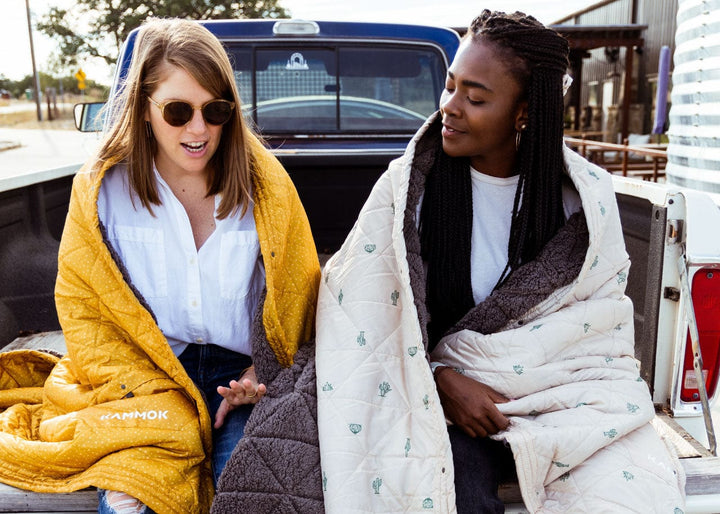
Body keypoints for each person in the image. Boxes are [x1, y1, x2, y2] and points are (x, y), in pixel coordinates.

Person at [315, 10, 685, 513]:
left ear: (524, 113)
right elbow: (362, 316)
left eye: (475, 98)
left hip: (562, 401)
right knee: (450, 494)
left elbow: (598, 334)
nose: (450, 107)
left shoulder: (584, 203)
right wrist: (441, 378)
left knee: (631, 492)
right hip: (440, 401)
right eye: (450, 87)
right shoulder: (407, 194)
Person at [0, 18, 319, 514]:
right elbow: (85, 311)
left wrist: (263, 370)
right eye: (177, 111)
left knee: (255, 489)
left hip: (241, 380)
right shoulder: (101, 191)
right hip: (143, 378)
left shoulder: (268, 188)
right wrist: (144, 386)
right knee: (131, 498)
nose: (199, 129)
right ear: (144, 109)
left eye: (215, 110)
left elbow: (300, 299)